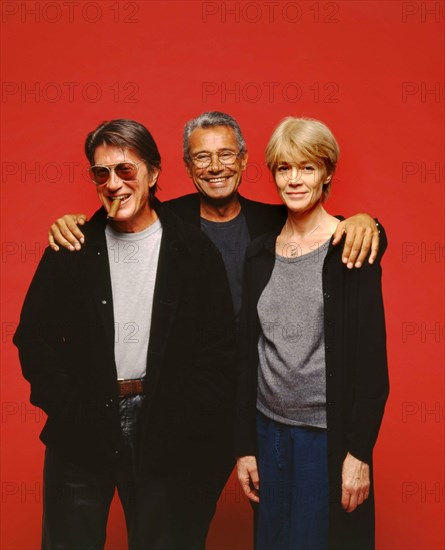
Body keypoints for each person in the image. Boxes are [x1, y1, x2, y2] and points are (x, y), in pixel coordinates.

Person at [45, 112, 381, 540]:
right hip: (187, 408)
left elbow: (322, 229)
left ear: (243, 161)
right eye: (202, 157)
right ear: (185, 167)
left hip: (260, 400)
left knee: (303, 528)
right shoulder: (170, 221)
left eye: (226, 155)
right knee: (179, 528)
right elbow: (119, 211)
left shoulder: (273, 221)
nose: (215, 166)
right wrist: (72, 223)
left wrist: (368, 222)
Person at [13, 119, 236, 550]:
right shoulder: (72, 246)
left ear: (153, 173)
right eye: (102, 172)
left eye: (126, 170)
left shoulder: (192, 249)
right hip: (82, 425)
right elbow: (34, 338)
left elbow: (219, 350)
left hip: (167, 428)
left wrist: (186, 415)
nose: (113, 184)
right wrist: (64, 404)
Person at [235, 117, 389, 550]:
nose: (295, 179)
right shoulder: (259, 253)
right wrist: (244, 446)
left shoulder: (351, 247)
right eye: (284, 168)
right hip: (268, 434)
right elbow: (248, 354)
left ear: (327, 174)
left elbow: (371, 363)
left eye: (307, 167)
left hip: (325, 437)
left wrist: (359, 453)